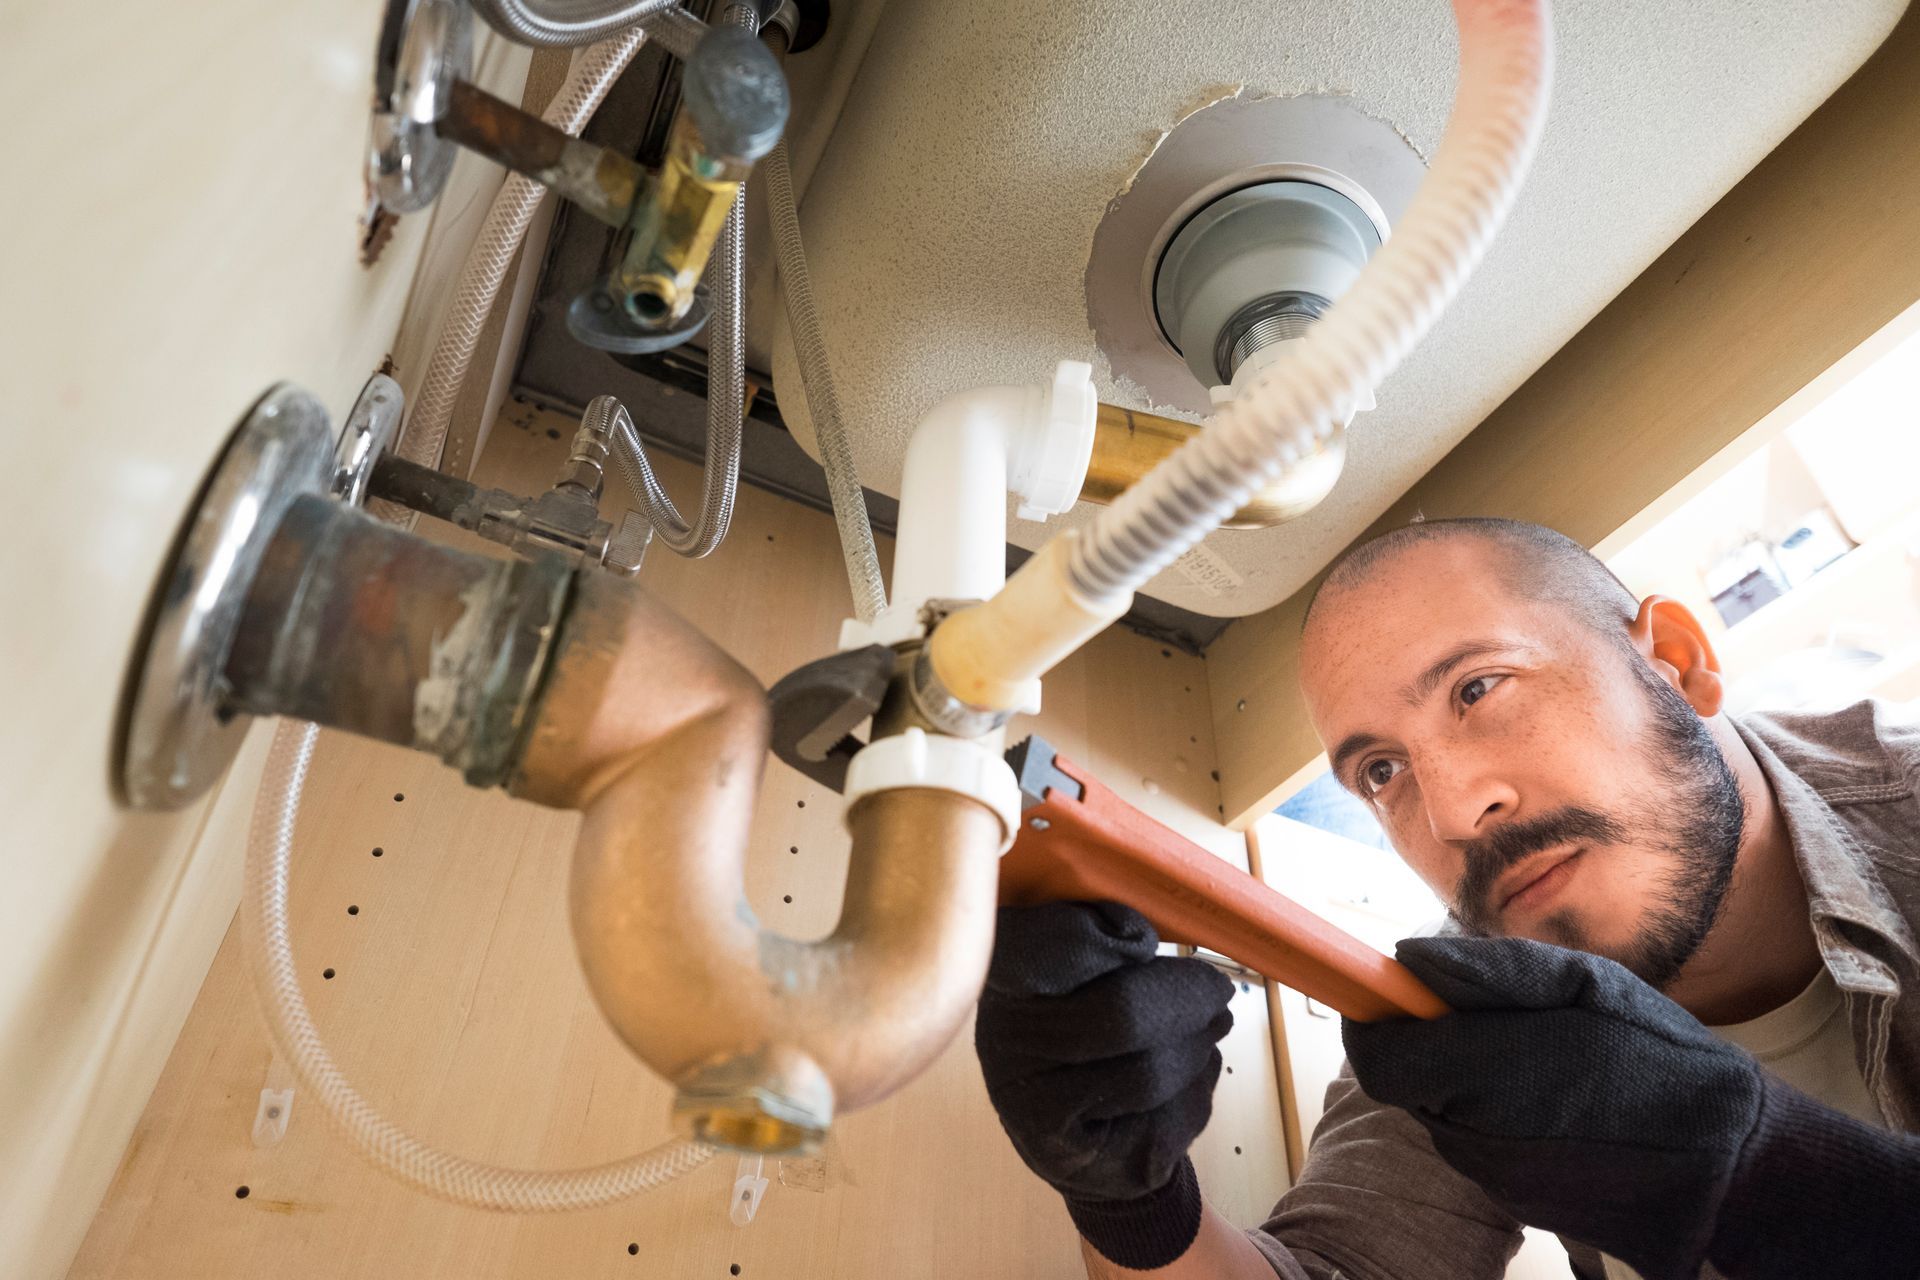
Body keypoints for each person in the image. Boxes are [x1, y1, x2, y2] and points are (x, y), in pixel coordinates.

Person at [974, 518, 1920, 1280]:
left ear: (1673, 660)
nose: (1461, 812)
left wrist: (1751, 1168)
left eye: (1480, 687)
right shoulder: (1459, 1011)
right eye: (1382, 770)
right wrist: (1134, 1205)